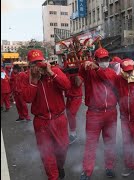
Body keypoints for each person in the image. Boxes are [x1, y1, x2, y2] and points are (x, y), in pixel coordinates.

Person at [22, 49, 71, 180]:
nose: (38, 66)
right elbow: (27, 98)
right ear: (29, 65)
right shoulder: (26, 77)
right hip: (41, 122)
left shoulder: (54, 71)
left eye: (40, 62)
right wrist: (34, 80)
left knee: (63, 148)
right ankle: (53, 176)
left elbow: (67, 86)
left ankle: (60, 166)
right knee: (47, 154)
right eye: (34, 64)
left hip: (59, 119)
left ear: (45, 61)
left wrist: (51, 73)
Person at [79, 47, 118, 180]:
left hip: (111, 112)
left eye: (106, 59)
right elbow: (81, 72)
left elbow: (106, 78)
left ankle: (109, 167)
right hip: (94, 114)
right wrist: (85, 66)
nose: (104, 61)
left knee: (110, 141)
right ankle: (87, 171)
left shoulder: (111, 73)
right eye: (101, 59)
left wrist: (96, 68)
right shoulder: (89, 72)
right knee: (91, 143)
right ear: (95, 60)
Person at [64, 68, 83, 144]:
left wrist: (75, 75)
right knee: (68, 115)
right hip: (69, 98)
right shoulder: (66, 73)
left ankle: (73, 134)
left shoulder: (79, 75)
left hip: (76, 97)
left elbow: (78, 84)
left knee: (71, 114)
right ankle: (71, 131)